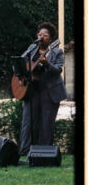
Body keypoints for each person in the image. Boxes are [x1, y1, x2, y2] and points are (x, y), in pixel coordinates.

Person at [18, 22, 67, 159]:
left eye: (45, 35)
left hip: (49, 91)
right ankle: (24, 151)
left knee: (46, 123)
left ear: (50, 39)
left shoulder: (57, 52)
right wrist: (21, 75)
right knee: (28, 121)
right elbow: (21, 62)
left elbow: (58, 70)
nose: (41, 37)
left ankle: (43, 154)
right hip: (32, 90)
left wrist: (47, 63)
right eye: (39, 34)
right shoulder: (32, 48)